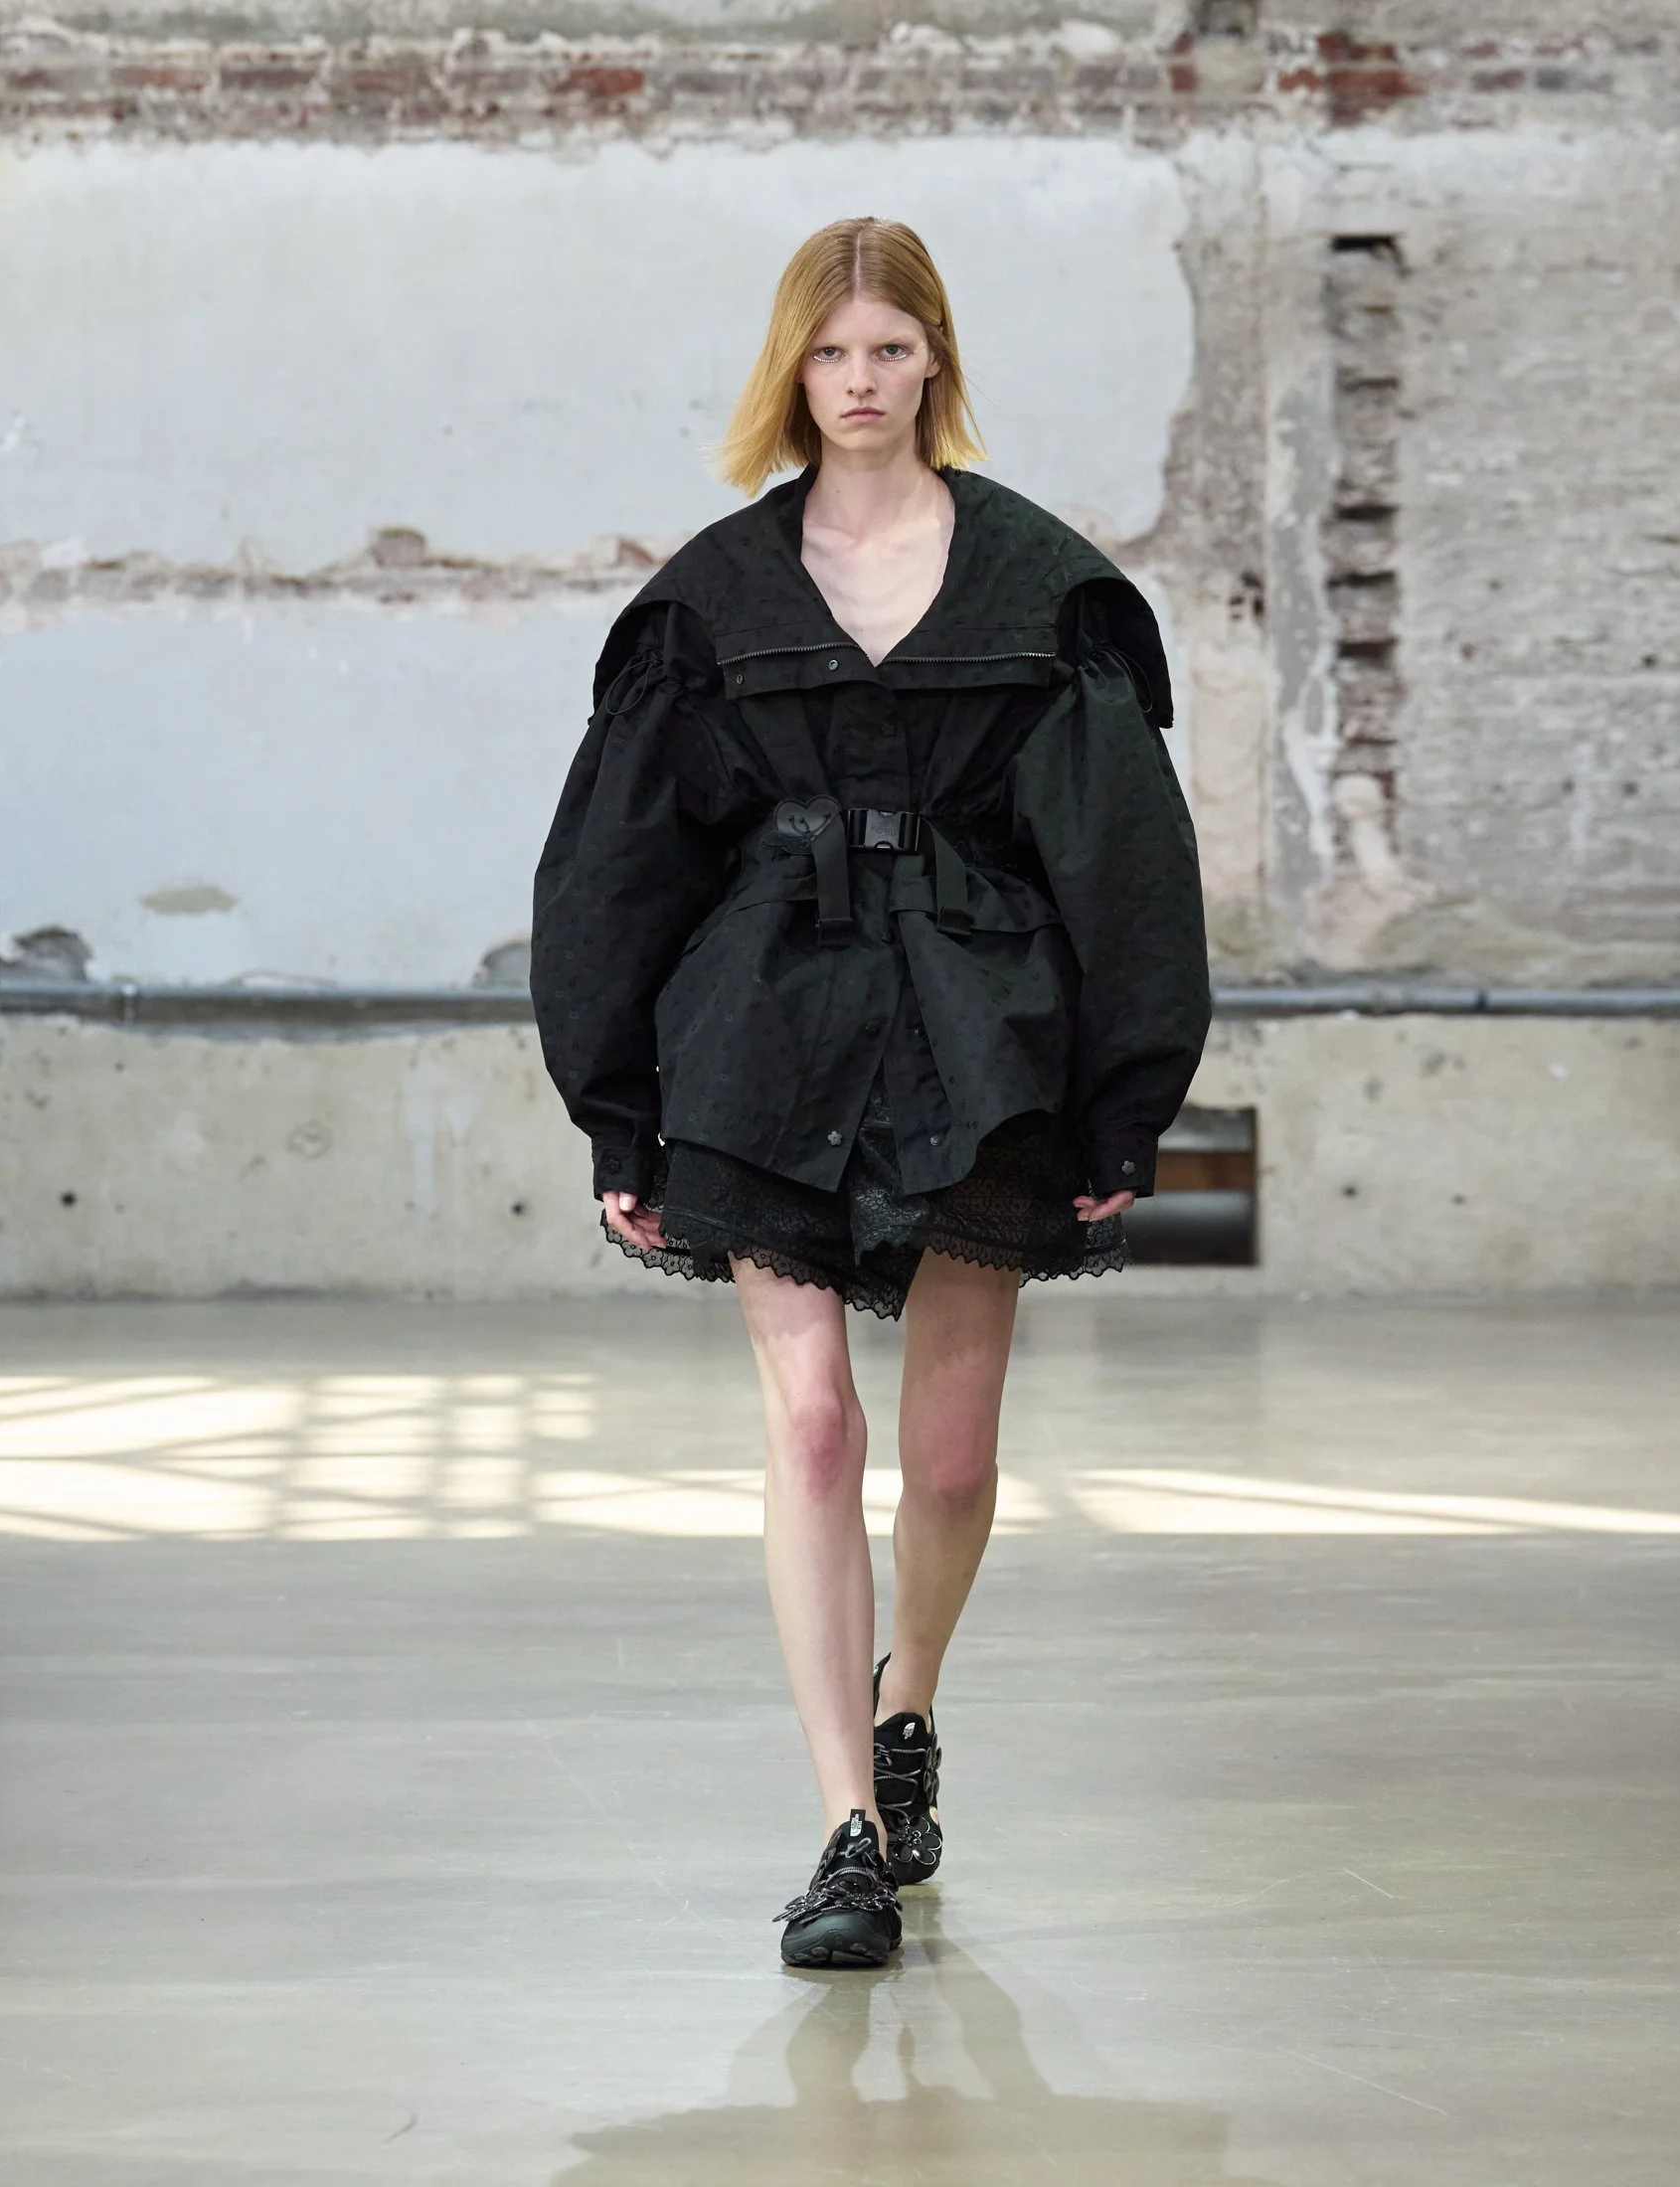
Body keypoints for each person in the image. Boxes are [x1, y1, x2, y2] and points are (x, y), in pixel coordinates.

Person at [531, 218, 1210, 1969]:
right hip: (766, 1036)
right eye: (831, 353)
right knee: (818, 1426)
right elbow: (616, 861)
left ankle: (911, 1706)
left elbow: (1128, 858)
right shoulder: (713, 601)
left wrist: (1129, 1101)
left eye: (890, 348)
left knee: (954, 1451)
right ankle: (844, 1827)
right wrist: (616, 1106)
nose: (860, 381)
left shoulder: (1040, 588)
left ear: (934, 362)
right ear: (793, 369)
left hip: (988, 1037)